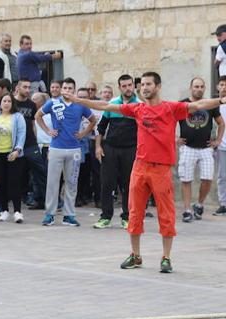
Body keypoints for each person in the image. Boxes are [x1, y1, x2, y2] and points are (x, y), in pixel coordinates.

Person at [66, 71, 226, 273]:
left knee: (166, 214)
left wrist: (221, 99)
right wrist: (77, 100)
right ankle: (136, 255)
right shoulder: (137, 109)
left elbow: (198, 106)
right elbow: (106, 106)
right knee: (134, 213)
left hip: (161, 169)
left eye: (149, 84)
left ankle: (166, 258)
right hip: (140, 167)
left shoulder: (171, 108)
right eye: (143, 85)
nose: (145, 88)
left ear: (158, 86)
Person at [35, 77, 97, 227]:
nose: (67, 91)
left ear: (74, 90)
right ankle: (49, 214)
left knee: (71, 183)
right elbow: (38, 116)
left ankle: (69, 215)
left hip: (74, 149)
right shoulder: (53, 103)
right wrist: (48, 130)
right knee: (52, 182)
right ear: (61, 90)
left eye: (70, 88)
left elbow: (93, 120)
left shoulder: (80, 105)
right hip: (56, 148)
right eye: (65, 88)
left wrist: (83, 133)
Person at [93, 74, 139, 230]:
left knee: (128, 185)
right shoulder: (112, 104)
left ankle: (127, 217)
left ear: (134, 86)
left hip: (131, 150)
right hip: (110, 149)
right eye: (124, 86)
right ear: (119, 88)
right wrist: (98, 147)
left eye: (129, 85)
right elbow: (101, 127)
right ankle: (105, 217)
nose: (127, 88)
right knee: (106, 184)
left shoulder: (139, 105)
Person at [177, 77, 224, 222]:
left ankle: (199, 204)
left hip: (206, 148)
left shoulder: (210, 104)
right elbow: (169, 120)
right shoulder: (182, 104)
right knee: (186, 179)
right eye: (196, 86)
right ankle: (187, 210)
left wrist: (218, 140)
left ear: (204, 88)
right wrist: (174, 138)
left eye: (202, 87)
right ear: (191, 87)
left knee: (208, 178)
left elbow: (221, 124)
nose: (199, 89)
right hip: (187, 147)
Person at [0, 92, 27, 223]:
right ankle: (4, 210)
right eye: (4, 101)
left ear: (12, 103)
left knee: (14, 183)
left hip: (13, 155)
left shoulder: (18, 117)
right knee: (1, 183)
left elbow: (21, 134)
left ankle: (17, 211)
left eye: (9, 101)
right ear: (0, 103)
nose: (6, 103)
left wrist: (17, 150)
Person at [14, 79, 47, 210]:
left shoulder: (32, 105)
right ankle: (6, 203)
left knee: (41, 172)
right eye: (25, 87)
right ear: (18, 88)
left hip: (30, 144)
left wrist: (36, 141)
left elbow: (33, 124)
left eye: (29, 87)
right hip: (15, 145)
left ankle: (44, 200)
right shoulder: (10, 102)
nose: (27, 90)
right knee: (16, 174)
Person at [215, 76, 226, 216]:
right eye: (222, 84)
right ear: (218, 87)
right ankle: (223, 204)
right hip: (221, 146)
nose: (224, 87)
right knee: (222, 176)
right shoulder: (214, 105)